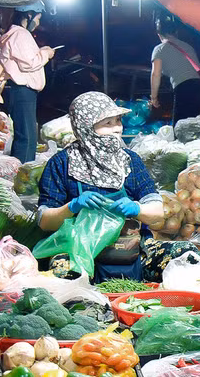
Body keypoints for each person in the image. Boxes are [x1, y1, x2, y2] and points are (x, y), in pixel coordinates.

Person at [37, 91, 164, 282]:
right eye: (108, 123)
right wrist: (72, 207)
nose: (117, 129)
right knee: (60, 272)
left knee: (183, 254)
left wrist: (137, 208)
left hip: (131, 250)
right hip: (78, 249)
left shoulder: (131, 161)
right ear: (85, 127)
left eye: (118, 121)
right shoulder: (62, 164)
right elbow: (44, 222)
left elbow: (158, 214)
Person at [0, 2, 54, 163]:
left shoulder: (16, 34)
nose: (38, 23)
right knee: (26, 137)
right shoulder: (20, 34)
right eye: (38, 18)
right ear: (29, 15)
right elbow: (29, 63)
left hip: (23, 92)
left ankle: (22, 171)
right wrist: (46, 53)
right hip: (22, 91)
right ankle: (20, 174)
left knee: (27, 134)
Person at [149, 16, 200, 123]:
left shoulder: (159, 49)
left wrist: (154, 98)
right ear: (175, 32)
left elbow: (156, 74)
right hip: (199, 86)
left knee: (180, 124)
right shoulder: (187, 46)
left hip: (183, 86)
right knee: (196, 122)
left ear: (159, 35)